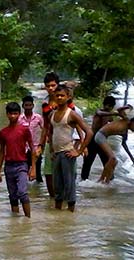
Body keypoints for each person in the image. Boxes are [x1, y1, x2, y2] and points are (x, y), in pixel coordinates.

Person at [42, 84, 93, 212]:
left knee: (69, 184)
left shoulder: (72, 114)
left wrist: (79, 151)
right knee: (57, 185)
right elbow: (50, 132)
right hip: (57, 153)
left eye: (62, 95)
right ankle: (58, 213)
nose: (59, 98)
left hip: (68, 152)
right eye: (57, 95)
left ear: (68, 97)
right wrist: (52, 150)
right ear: (54, 97)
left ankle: (71, 213)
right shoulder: (52, 115)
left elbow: (89, 132)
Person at [0, 102, 36, 218]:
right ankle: (15, 221)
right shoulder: (3, 132)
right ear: (7, 114)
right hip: (9, 166)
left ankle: (28, 220)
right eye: (10, 114)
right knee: (13, 196)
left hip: (22, 165)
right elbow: (2, 152)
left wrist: (33, 168)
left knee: (22, 192)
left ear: (19, 114)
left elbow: (32, 148)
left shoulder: (24, 130)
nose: (13, 116)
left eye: (15, 113)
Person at [81, 96, 130, 181]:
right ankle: (83, 181)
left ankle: (109, 180)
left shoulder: (109, 116)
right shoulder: (99, 112)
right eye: (106, 105)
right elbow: (100, 114)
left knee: (108, 161)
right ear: (104, 105)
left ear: (111, 106)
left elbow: (114, 126)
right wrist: (116, 113)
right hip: (92, 140)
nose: (107, 107)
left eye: (109, 106)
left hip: (101, 141)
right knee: (87, 163)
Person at [94, 111, 134, 183]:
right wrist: (127, 107)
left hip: (104, 137)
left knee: (115, 161)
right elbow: (120, 110)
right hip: (100, 136)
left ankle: (107, 181)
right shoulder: (126, 120)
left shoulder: (125, 132)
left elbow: (124, 144)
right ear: (133, 122)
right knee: (112, 158)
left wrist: (132, 158)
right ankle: (101, 179)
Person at [20, 95, 43, 183]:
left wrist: (41, 147)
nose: (28, 107)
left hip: (36, 149)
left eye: (30, 105)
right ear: (23, 106)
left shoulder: (38, 118)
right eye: (26, 105)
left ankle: (38, 194)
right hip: (23, 150)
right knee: (24, 173)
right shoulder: (19, 119)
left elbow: (44, 132)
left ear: (33, 105)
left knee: (38, 174)